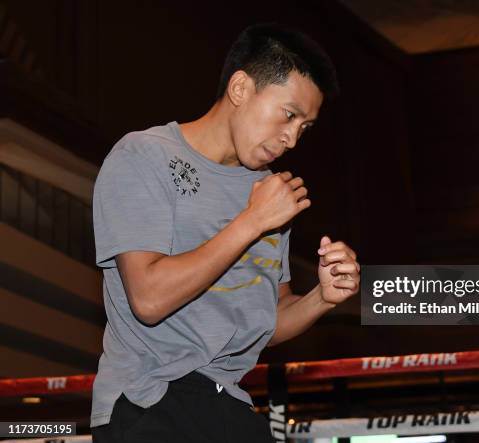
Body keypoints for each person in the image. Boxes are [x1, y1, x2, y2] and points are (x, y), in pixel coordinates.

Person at [90, 23, 360, 443]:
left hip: (229, 402)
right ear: (240, 89)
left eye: (305, 127)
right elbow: (149, 298)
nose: (291, 138)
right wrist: (251, 222)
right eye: (288, 115)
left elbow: (264, 321)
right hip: (149, 401)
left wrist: (321, 298)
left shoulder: (270, 193)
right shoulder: (145, 155)